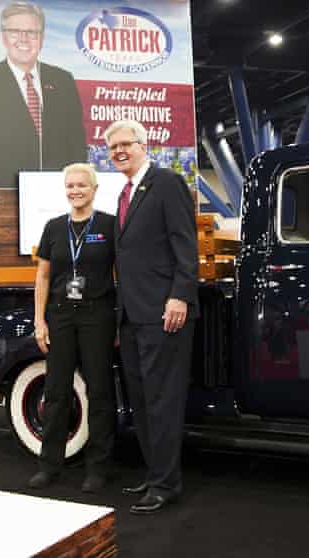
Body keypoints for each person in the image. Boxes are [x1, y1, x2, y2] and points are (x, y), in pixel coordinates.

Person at [106, 120, 199, 515]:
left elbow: (185, 244)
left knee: (162, 401)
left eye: (127, 144)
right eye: (113, 147)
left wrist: (180, 295)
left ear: (145, 146)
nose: (119, 151)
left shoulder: (166, 183)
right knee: (141, 402)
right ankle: (154, 474)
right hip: (131, 316)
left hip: (164, 313)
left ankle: (166, 485)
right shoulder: (124, 194)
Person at [27, 163, 116, 493]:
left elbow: (123, 271)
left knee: (100, 392)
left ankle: (98, 467)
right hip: (61, 315)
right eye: (70, 185)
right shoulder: (53, 227)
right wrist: (40, 320)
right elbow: (44, 277)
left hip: (98, 314)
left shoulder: (108, 225)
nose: (75, 190)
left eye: (81, 185)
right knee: (56, 391)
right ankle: (50, 465)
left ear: (94, 189)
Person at [0, 1, 87, 188]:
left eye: (31, 32)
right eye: (15, 31)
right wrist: (22, 190)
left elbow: (77, 145)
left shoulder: (63, 80)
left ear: (41, 37)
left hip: (59, 196)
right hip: (4, 196)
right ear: (4, 37)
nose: (23, 39)